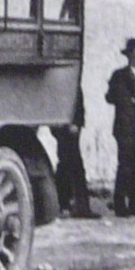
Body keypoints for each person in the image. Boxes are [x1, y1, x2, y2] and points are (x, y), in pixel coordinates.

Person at [105, 38, 135, 216]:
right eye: (134, 52)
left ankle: (134, 202)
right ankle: (119, 202)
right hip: (125, 127)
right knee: (125, 164)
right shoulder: (120, 75)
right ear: (128, 56)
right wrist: (133, 101)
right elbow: (111, 97)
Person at [52, 86, 98, 219]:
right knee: (74, 167)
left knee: (66, 166)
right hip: (66, 129)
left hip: (72, 129)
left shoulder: (71, 82)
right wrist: (68, 124)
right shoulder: (63, 83)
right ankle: (79, 206)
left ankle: (64, 204)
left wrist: (78, 123)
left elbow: (78, 105)